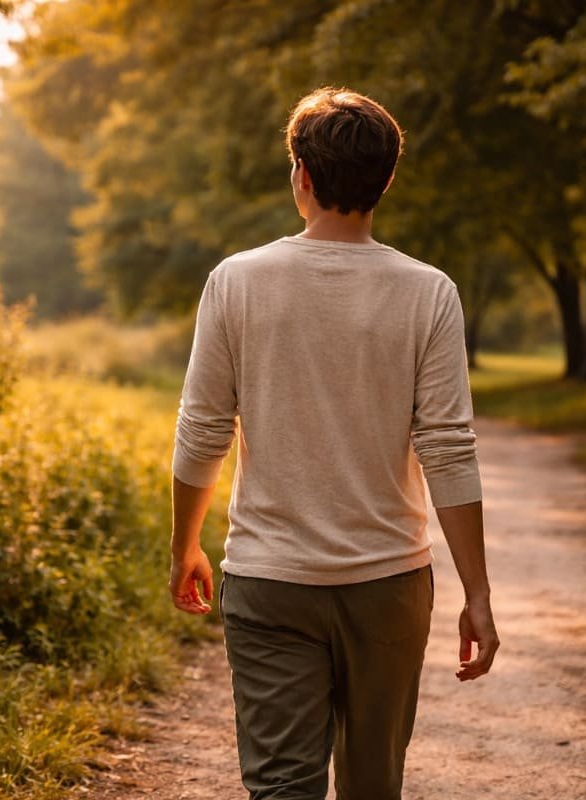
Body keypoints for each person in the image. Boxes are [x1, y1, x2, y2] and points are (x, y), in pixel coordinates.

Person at [168, 87, 499, 800]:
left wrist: (184, 547)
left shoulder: (237, 281)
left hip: (270, 582)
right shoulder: (428, 292)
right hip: (390, 585)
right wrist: (478, 591)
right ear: (387, 179)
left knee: (281, 787)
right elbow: (448, 447)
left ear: (303, 178)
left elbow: (202, 430)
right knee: (372, 786)